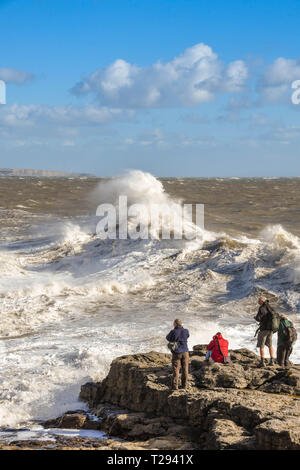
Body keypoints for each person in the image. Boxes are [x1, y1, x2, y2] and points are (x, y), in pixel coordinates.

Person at [166, 319, 190, 390]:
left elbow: (167, 338)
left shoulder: (173, 331)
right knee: (185, 369)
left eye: (173, 323)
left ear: (175, 324)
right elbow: (187, 336)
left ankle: (175, 386)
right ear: (181, 324)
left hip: (177, 353)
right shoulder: (186, 331)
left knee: (176, 370)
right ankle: (184, 386)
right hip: (185, 352)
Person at [254, 296, 276, 367]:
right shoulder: (270, 307)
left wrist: (256, 317)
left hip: (264, 329)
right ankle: (272, 361)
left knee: (261, 345)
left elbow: (259, 318)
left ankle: (262, 362)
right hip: (271, 329)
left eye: (259, 300)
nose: (258, 301)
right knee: (270, 345)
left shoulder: (262, 308)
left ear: (262, 301)